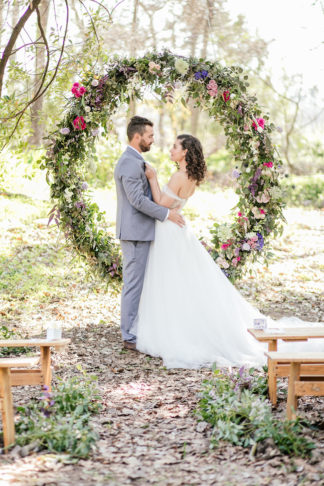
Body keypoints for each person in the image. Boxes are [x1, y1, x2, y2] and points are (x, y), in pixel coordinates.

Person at [133, 134, 324, 369]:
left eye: (175, 147)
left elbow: (161, 202)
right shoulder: (191, 176)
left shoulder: (179, 176)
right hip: (176, 229)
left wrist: (152, 177)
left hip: (170, 231)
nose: (171, 149)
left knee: (171, 279)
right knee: (178, 280)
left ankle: (172, 327)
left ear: (184, 152)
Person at [114, 116, 185, 350]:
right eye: (150, 136)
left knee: (139, 284)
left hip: (141, 232)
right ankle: (129, 336)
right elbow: (136, 200)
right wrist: (166, 214)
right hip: (135, 233)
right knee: (133, 284)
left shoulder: (137, 161)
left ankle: (135, 330)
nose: (153, 140)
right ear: (138, 136)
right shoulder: (128, 163)